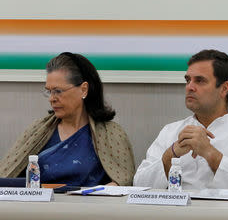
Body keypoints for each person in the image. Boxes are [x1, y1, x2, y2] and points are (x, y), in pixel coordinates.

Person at [134, 49, 228, 189]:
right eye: (188, 80)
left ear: (224, 89)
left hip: (227, 213)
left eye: (200, 81)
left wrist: (210, 154)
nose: (189, 87)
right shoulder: (170, 131)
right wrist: (170, 154)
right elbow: (139, 185)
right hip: (174, 213)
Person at [0, 52, 135, 186]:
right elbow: (8, 177)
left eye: (58, 91)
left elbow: (123, 181)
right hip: (39, 206)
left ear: (83, 90)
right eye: (49, 91)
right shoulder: (37, 131)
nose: (51, 98)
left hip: (89, 206)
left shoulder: (111, 134)